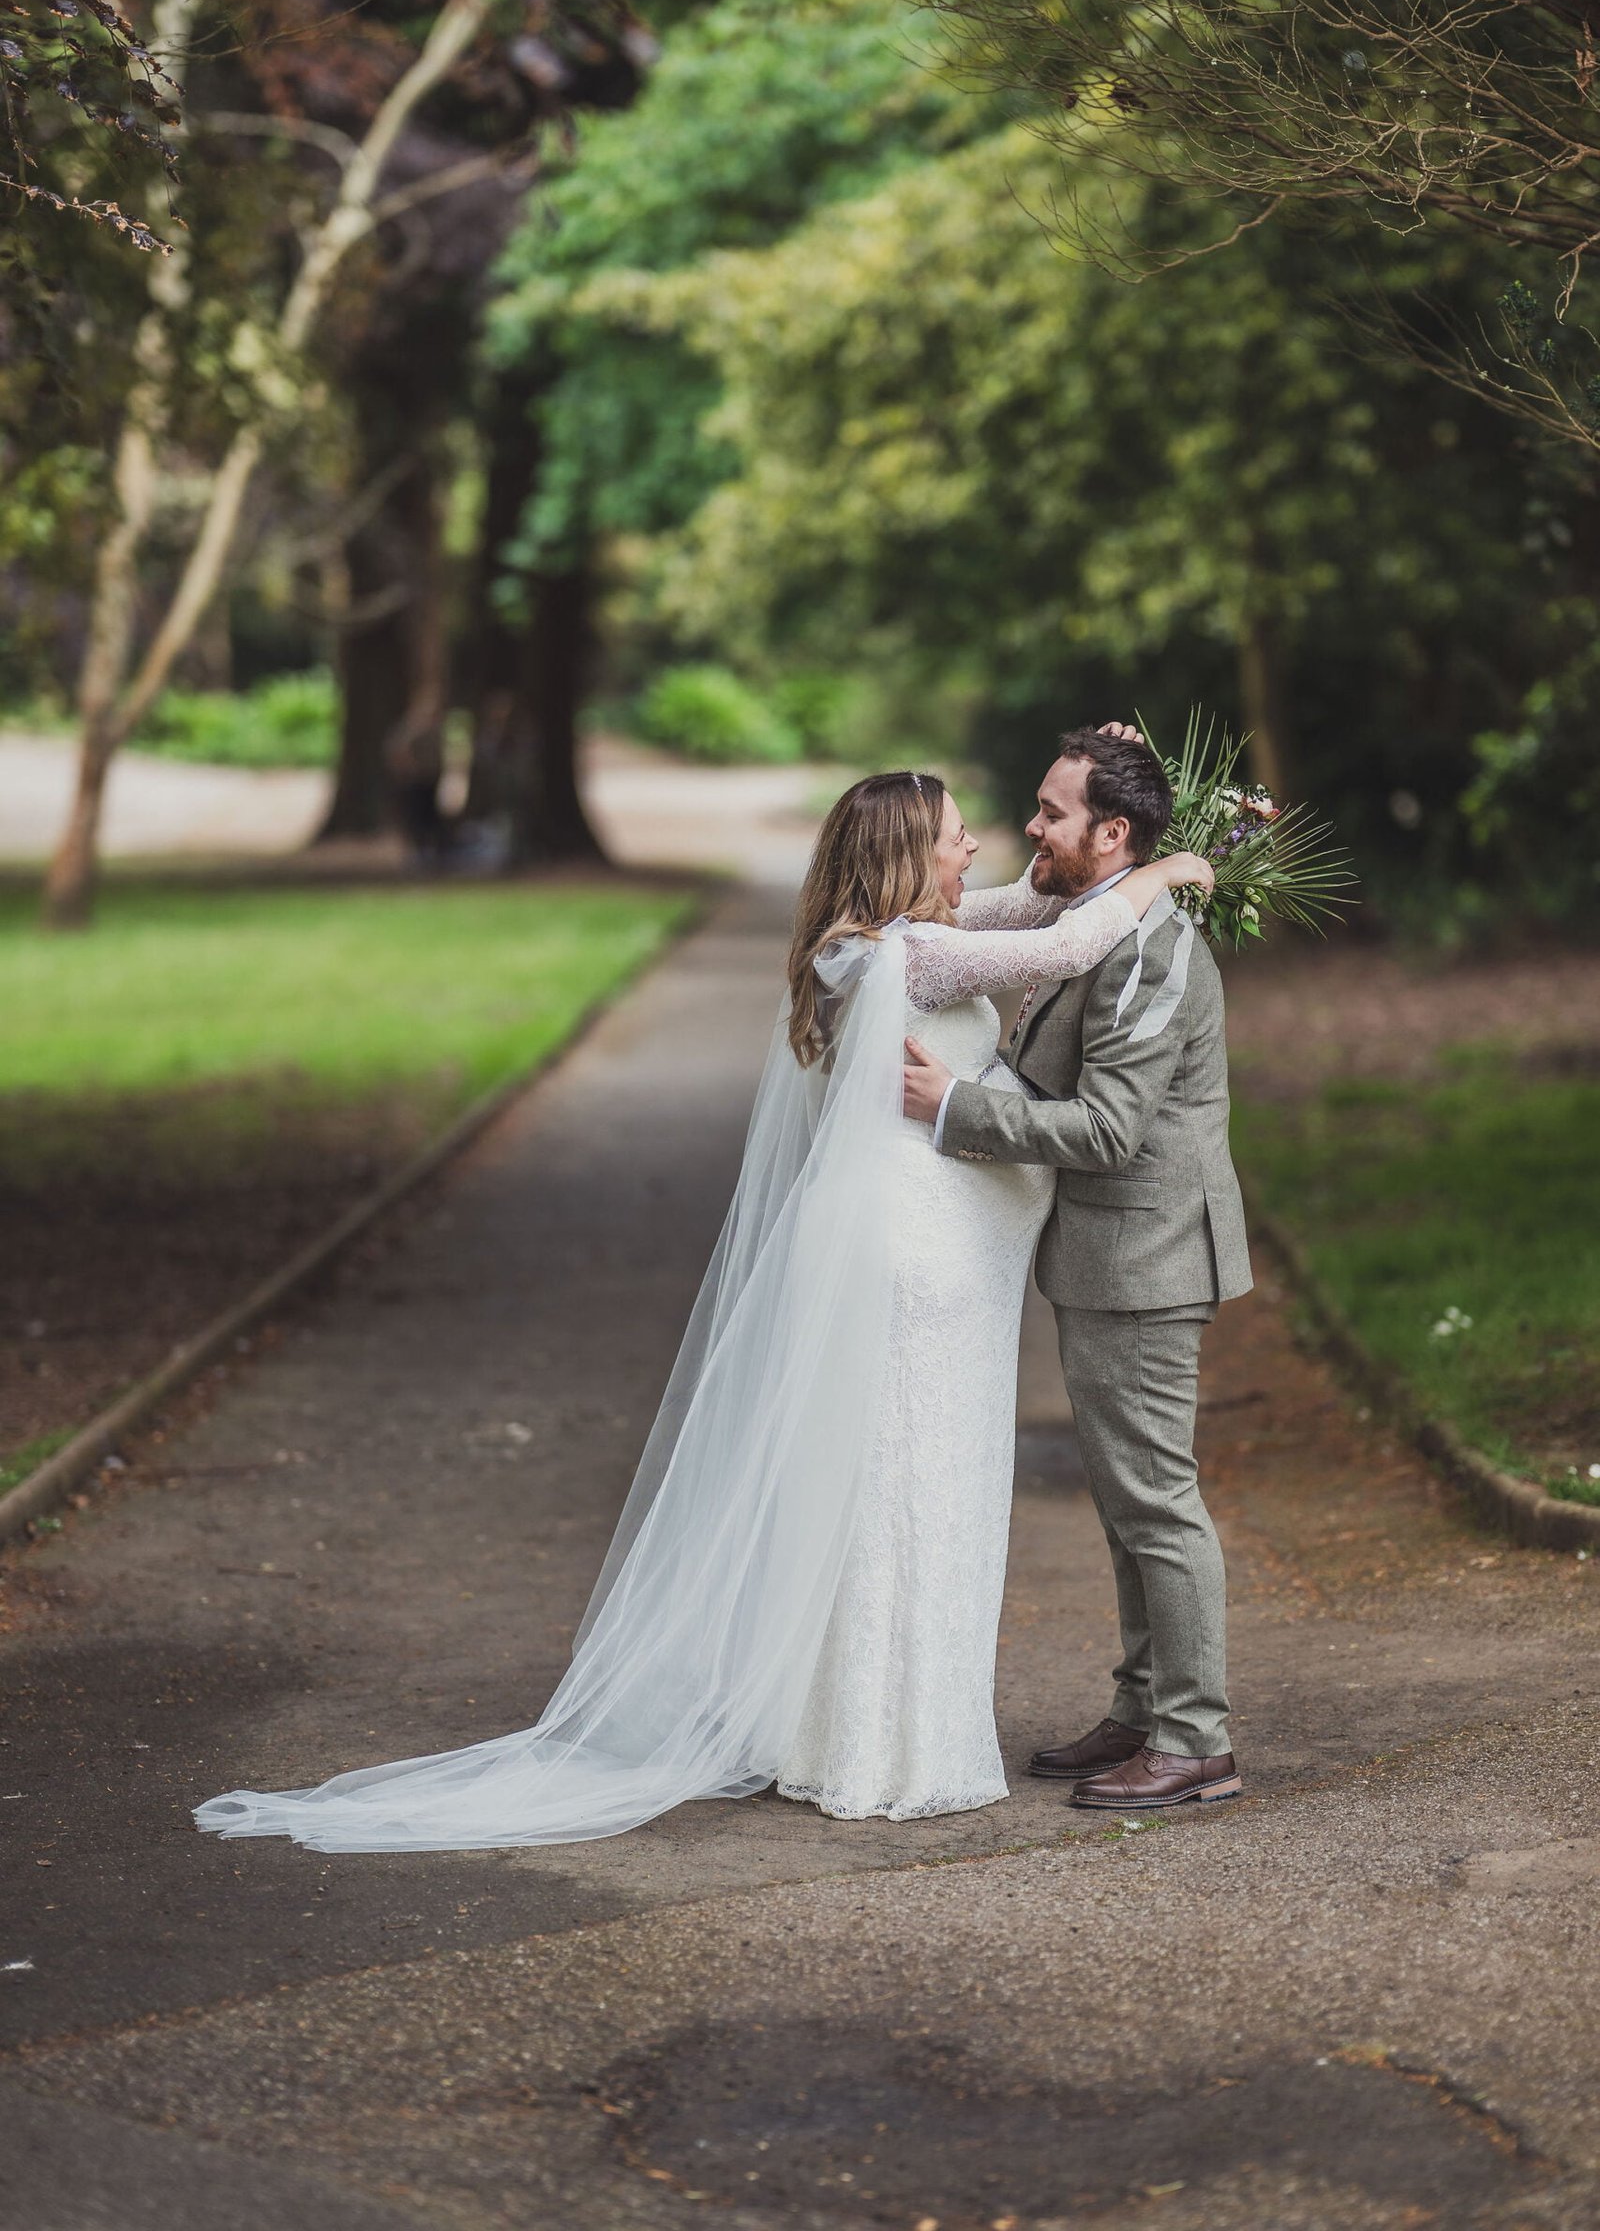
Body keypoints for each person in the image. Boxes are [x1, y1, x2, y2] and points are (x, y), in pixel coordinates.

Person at [194, 752, 1210, 1850]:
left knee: (887, 1498)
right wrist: (1174, 870)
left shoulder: (867, 945)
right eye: (956, 836)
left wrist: (1122, 868)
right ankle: (894, 1744)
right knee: (911, 1499)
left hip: (927, 1263)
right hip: (922, 1270)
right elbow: (1057, 942)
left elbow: (1030, 911)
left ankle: (854, 1733)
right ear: (909, 862)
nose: (981, 847)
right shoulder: (911, 955)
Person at [903, 728, 1252, 1811]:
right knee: (1124, 1500)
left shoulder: (1148, 949)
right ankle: (1143, 1707)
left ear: (1112, 834)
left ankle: (1195, 1740)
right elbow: (1006, 923)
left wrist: (953, 1107)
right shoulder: (1086, 910)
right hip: (1106, 1256)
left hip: (1146, 1258)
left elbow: (1106, 1129)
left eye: (1051, 814)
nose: (1030, 829)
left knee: (1156, 1502)